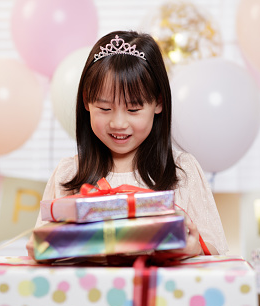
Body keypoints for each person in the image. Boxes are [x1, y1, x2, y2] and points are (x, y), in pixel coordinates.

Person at [27, 30, 228, 258]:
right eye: (104, 108)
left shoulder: (183, 171)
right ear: (86, 101)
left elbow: (218, 251)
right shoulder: (69, 174)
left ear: (158, 103)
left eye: (133, 109)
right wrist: (42, 247)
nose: (118, 123)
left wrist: (194, 248)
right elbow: (42, 248)